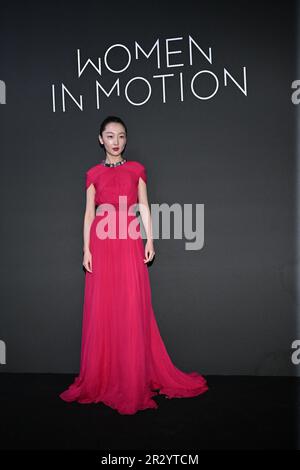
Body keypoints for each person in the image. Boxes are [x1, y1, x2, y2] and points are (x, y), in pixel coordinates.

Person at [59, 115, 209, 415]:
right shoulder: (92, 174)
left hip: (128, 238)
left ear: (126, 140)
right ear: (101, 139)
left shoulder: (137, 169)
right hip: (101, 243)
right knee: (103, 308)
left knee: (131, 306)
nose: (117, 141)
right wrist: (86, 247)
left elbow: (144, 206)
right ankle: (103, 377)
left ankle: (132, 377)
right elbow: (89, 214)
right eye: (111, 136)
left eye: (122, 136)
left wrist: (150, 240)